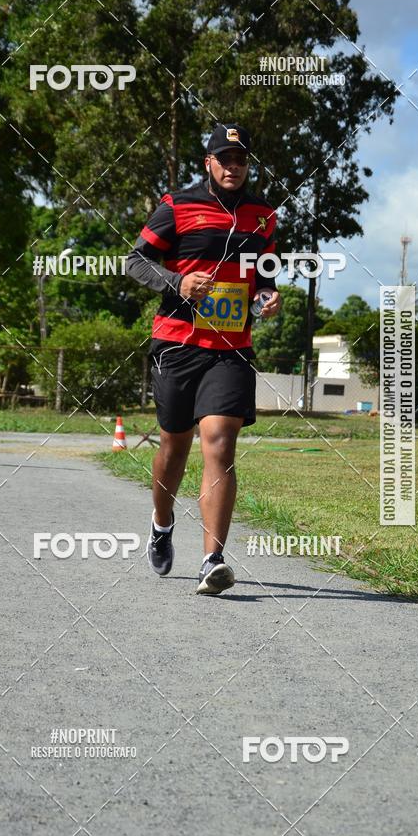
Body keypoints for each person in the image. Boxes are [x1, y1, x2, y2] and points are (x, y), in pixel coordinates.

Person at [125, 122, 281, 594]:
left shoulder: (263, 216)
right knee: (174, 445)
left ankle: (212, 558)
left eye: (240, 159)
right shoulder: (177, 206)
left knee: (219, 441)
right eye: (224, 159)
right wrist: (178, 283)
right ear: (208, 163)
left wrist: (268, 298)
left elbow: (265, 275)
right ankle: (161, 521)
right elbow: (134, 261)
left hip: (231, 348)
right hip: (177, 341)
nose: (233, 167)